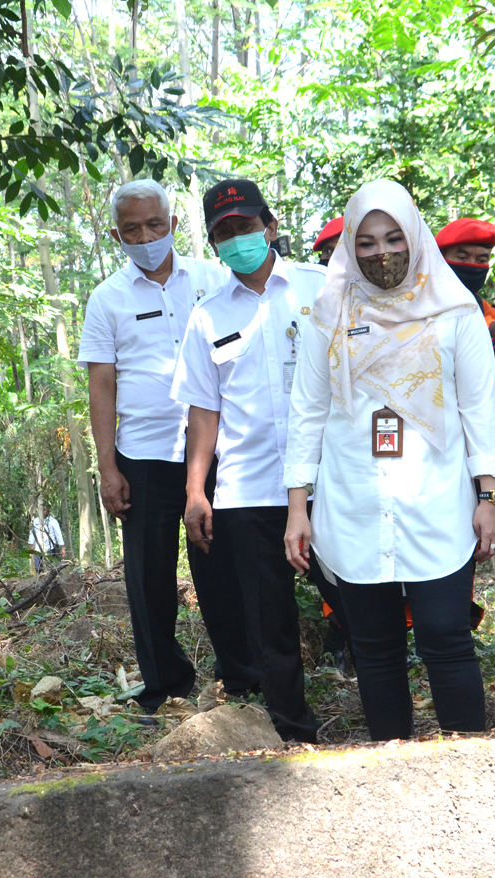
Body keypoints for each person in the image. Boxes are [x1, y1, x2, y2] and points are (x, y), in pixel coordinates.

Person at [283, 180, 495, 741]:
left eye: (392, 238)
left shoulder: (455, 312)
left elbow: (481, 409)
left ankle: (470, 766)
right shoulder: (328, 315)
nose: (380, 252)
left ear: (415, 237)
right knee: (374, 648)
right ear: (349, 249)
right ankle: (390, 768)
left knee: (446, 638)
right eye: (365, 242)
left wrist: (490, 497)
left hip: (436, 499)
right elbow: (307, 411)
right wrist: (297, 507)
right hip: (353, 500)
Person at [80, 179, 251, 713]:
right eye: (132, 229)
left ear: (173, 224)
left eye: (155, 225)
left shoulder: (213, 278)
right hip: (143, 454)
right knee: (148, 576)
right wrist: (108, 467)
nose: (146, 237)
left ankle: (241, 677)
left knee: (222, 567)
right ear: (116, 235)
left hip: (213, 450)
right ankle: (164, 686)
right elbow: (101, 384)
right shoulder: (107, 299)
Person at [173, 178, 328, 743]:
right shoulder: (207, 316)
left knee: (361, 603)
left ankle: (386, 719)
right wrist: (196, 490)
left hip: (329, 478)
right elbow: (203, 412)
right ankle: (294, 735)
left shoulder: (321, 288)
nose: (237, 239)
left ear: (270, 226)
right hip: (249, 487)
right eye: (224, 234)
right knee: (269, 624)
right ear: (214, 245)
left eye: (245, 226)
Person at [437, 218, 495, 356]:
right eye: (462, 258)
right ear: (440, 258)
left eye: (481, 260)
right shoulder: (411, 312)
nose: (472, 265)